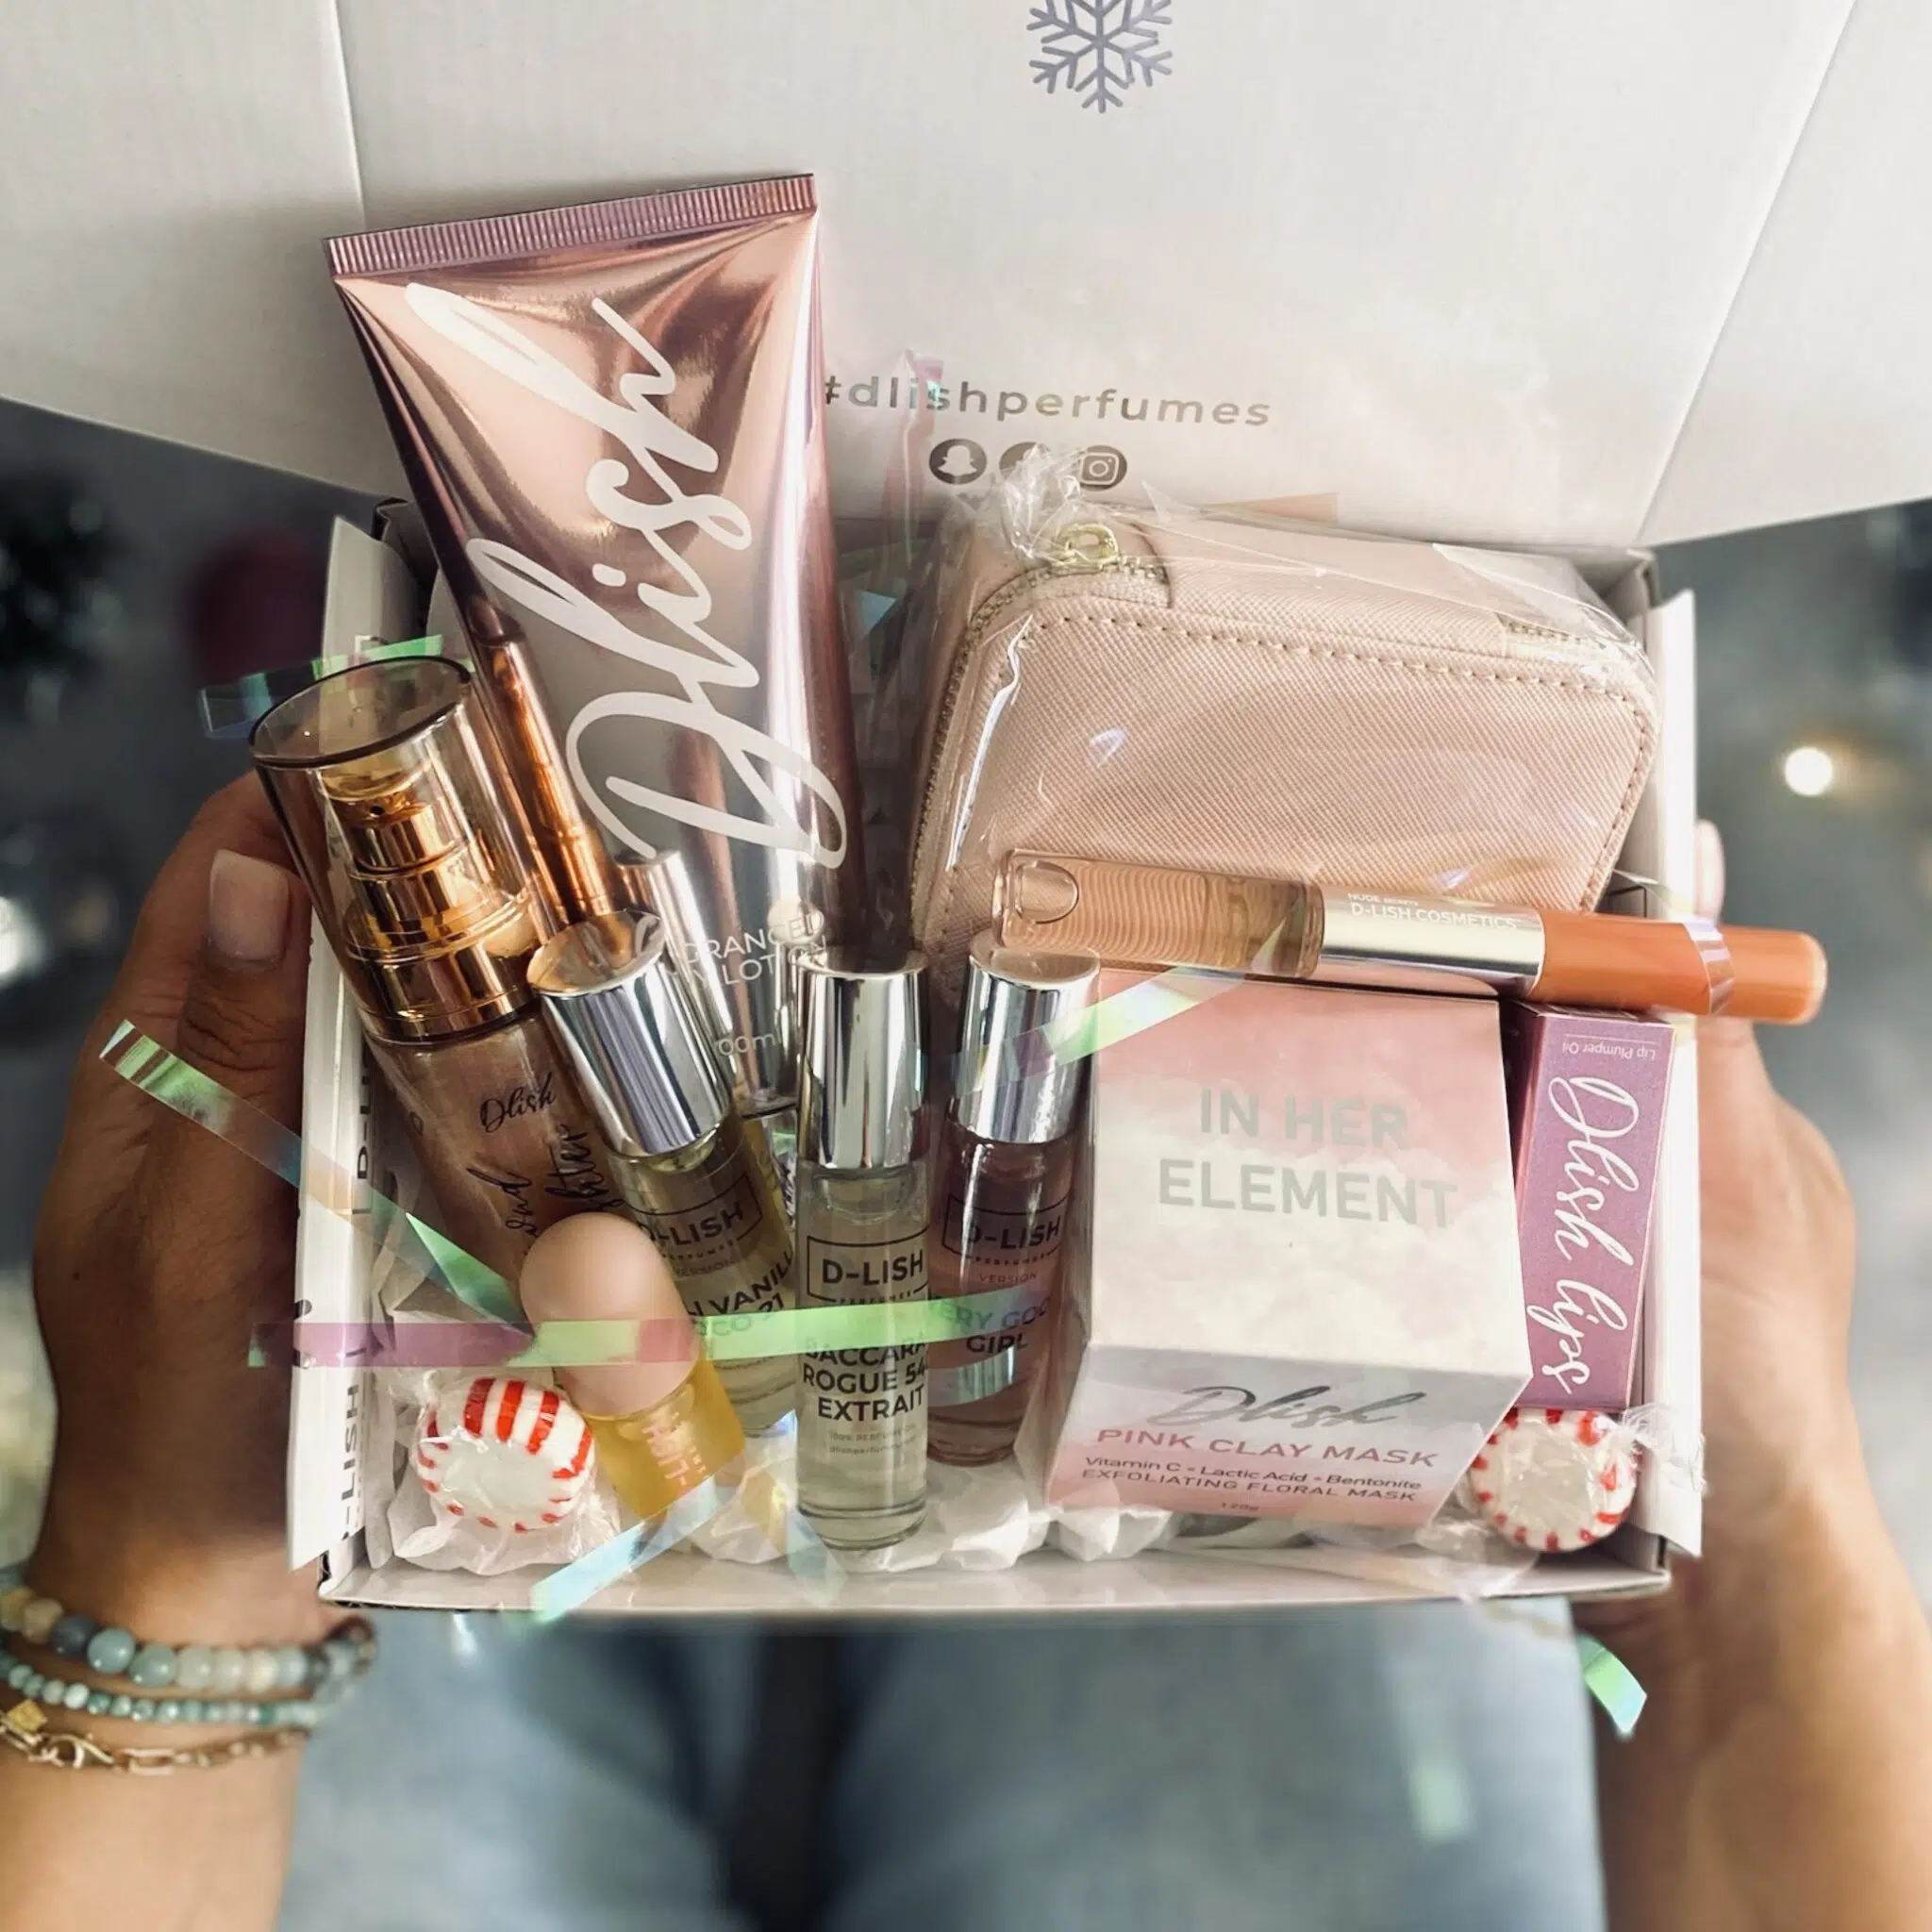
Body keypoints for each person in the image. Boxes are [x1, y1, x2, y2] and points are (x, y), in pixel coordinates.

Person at [1, 777, 1927, 1931]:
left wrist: (170, 1577)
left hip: (802, 1406)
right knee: (1292, 1675)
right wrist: (1747, 1577)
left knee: (438, 1718)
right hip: (819, 1383)